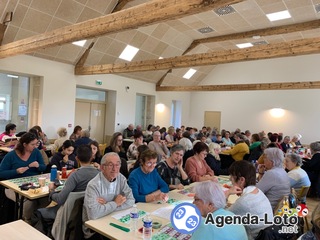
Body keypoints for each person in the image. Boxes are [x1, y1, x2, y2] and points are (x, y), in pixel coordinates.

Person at [83, 152, 135, 239]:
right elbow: (93, 214)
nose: (115, 169)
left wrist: (108, 204)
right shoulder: (93, 185)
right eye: (110, 165)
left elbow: (131, 200)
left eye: (117, 165)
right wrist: (115, 203)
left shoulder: (121, 178)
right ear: (103, 167)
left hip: (115, 220)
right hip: (95, 230)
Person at [0, 132, 47, 220]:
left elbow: (43, 167)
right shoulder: (11, 155)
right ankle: (25, 221)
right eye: (32, 144)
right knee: (28, 202)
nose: (35, 146)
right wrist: (16, 171)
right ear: (24, 144)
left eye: (36, 144)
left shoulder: (36, 152)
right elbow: (1, 172)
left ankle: (36, 219)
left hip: (34, 185)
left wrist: (38, 166)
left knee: (46, 198)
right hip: (13, 187)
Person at [47, 145, 99, 218]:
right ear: (92, 157)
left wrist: (51, 191)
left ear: (77, 158)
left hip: (71, 213)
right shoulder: (99, 174)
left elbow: (60, 199)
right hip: (91, 212)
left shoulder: (75, 175)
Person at [226, 161, 273, 240]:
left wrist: (227, 193)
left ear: (242, 180)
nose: (230, 178)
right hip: (267, 235)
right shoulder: (258, 191)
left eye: (232, 176)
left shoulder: (244, 202)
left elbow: (221, 216)